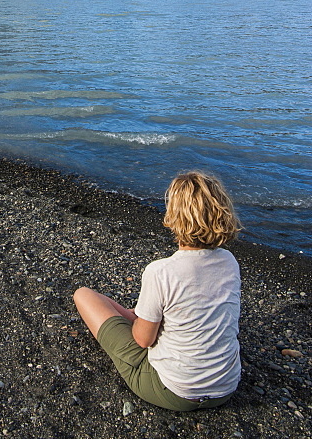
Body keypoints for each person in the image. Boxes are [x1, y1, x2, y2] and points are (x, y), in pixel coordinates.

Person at [73, 171, 242, 411]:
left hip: (174, 392)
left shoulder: (162, 271)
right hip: (226, 388)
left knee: (83, 295)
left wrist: (138, 320)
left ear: (174, 216)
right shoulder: (229, 262)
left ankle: (139, 316)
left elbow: (143, 340)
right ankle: (140, 314)